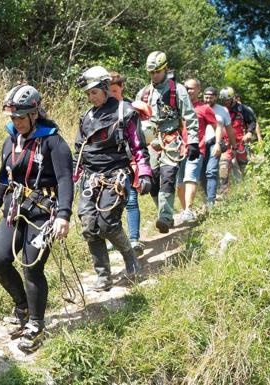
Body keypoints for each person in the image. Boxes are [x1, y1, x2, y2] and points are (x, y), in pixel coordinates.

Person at [0, 84, 74, 353]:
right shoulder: (10, 140)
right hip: (14, 209)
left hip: (44, 213)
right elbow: (4, 179)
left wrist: (64, 216)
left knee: (32, 267)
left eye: (21, 117)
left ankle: (36, 323)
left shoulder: (54, 142)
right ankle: (21, 305)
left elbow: (66, 180)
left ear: (35, 114)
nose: (16, 122)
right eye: (13, 117)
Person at [73, 65, 152, 291]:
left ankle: (130, 258)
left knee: (107, 223)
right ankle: (103, 276)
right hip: (89, 177)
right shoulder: (86, 117)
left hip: (116, 175)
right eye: (88, 94)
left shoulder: (125, 111)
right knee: (88, 225)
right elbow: (77, 152)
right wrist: (69, 180)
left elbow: (138, 147)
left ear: (106, 88)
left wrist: (144, 173)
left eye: (94, 92)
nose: (91, 97)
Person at [135, 51, 198, 233]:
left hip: (171, 140)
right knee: (153, 182)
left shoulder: (178, 90)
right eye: (151, 73)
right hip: (151, 142)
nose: (154, 76)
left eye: (157, 72)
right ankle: (165, 212)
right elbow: (136, 122)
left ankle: (165, 216)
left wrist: (192, 141)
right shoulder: (144, 94)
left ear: (165, 69)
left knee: (168, 177)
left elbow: (191, 117)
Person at [109, 71, 148, 255]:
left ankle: (134, 239)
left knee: (131, 201)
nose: (112, 95)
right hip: (109, 165)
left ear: (121, 88)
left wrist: (142, 167)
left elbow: (138, 140)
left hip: (130, 163)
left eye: (115, 91)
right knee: (114, 203)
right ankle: (117, 238)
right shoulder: (103, 112)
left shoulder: (130, 109)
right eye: (109, 91)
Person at [176, 79, 217, 222]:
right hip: (180, 150)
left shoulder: (204, 108)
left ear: (199, 90)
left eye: (191, 88)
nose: (188, 91)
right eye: (186, 88)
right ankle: (184, 210)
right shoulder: (179, 107)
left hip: (197, 149)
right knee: (179, 185)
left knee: (190, 178)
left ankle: (188, 209)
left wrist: (219, 142)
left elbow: (217, 126)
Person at [202, 86, 236, 208]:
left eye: (211, 97)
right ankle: (206, 197)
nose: (208, 100)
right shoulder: (198, 108)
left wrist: (234, 144)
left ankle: (211, 201)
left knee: (211, 171)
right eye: (206, 97)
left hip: (215, 143)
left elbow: (229, 129)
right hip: (200, 144)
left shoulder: (222, 111)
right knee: (202, 173)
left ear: (216, 97)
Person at [218, 87, 257, 192]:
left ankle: (249, 189)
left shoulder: (243, 109)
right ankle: (224, 192)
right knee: (223, 167)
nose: (225, 102)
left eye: (227, 100)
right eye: (223, 100)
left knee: (244, 167)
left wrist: (249, 132)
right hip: (226, 143)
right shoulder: (220, 110)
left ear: (232, 98)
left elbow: (253, 121)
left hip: (241, 143)